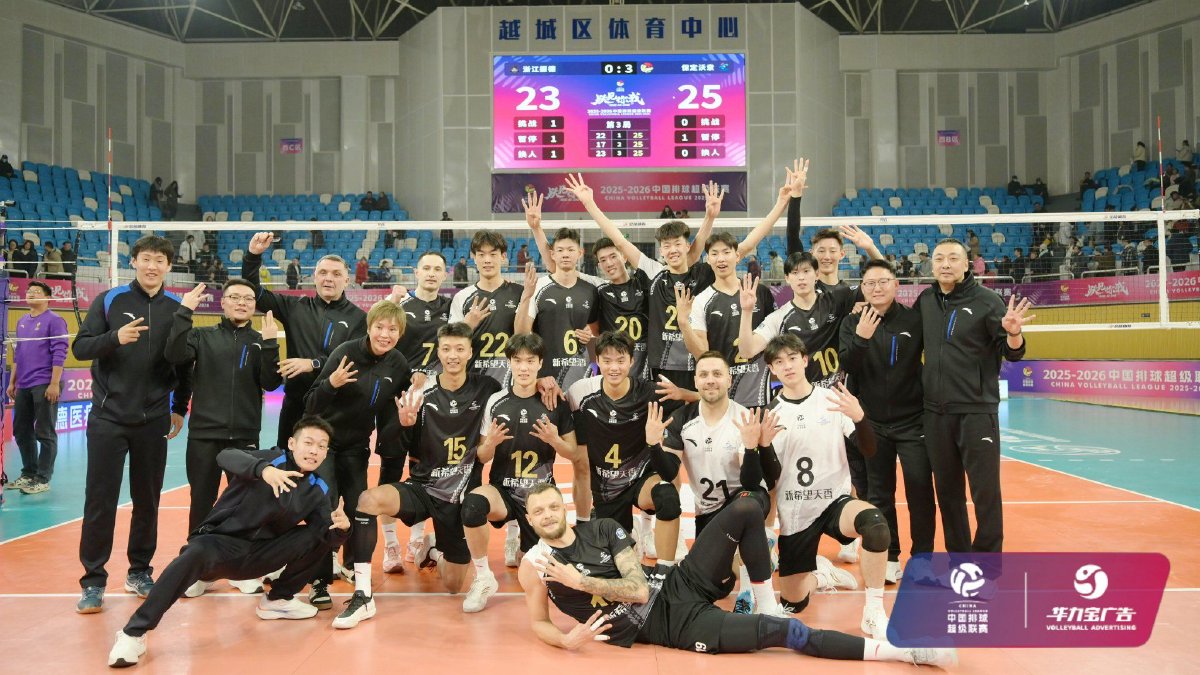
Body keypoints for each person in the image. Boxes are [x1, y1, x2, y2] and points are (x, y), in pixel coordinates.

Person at [516, 483, 956, 666]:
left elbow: (635, 588)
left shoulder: (601, 529)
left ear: (564, 507)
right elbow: (538, 621)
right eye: (539, 511)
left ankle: (765, 599)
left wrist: (580, 582)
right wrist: (565, 640)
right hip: (673, 625)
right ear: (530, 520)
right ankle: (903, 652)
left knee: (746, 507)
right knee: (785, 633)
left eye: (553, 506)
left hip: (678, 583)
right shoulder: (534, 567)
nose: (548, 514)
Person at [105, 417, 351, 668]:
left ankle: (278, 599)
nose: (314, 450)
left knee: (318, 533)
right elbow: (225, 455)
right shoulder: (270, 459)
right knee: (193, 555)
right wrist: (263, 470)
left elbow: (326, 535)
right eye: (308, 443)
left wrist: (342, 529)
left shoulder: (318, 488)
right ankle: (133, 633)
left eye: (321, 446)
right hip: (221, 545)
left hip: (260, 556)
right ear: (292, 443)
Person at [564, 171, 787, 409]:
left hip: (696, 363)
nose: (672, 250)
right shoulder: (654, 273)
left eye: (677, 244)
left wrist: (781, 203)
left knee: (699, 417)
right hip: (663, 365)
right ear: (661, 250)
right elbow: (619, 241)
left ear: (687, 246)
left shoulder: (704, 272)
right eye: (667, 246)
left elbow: (747, 244)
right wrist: (589, 203)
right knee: (665, 421)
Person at [348, 322, 503, 628]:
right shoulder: (421, 391)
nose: (453, 355)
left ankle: (432, 548)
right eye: (447, 349)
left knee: (453, 586)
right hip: (423, 486)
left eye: (459, 349)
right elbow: (391, 446)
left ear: (470, 352)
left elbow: (517, 396)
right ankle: (362, 594)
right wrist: (403, 425)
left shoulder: (487, 387)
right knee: (368, 500)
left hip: (460, 495)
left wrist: (543, 383)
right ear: (438, 352)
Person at [72, 235, 192, 613]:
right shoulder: (110, 300)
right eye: (146, 259)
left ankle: (139, 571)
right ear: (134, 262)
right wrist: (114, 338)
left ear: (169, 266)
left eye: (159, 260)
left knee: (147, 501)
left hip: (153, 419)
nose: (152, 266)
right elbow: (81, 347)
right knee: (100, 501)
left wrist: (179, 407)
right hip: (108, 418)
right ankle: (93, 581)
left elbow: (184, 364)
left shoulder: (177, 308)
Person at [762, 334, 890, 639]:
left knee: (875, 525)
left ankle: (874, 612)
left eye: (793, 358)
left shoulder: (831, 400)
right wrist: (763, 446)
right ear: (772, 370)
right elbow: (770, 478)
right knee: (793, 604)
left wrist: (860, 418)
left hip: (834, 502)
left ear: (805, 360)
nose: (787, 366)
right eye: (779, 361)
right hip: (796, 512)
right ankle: (822, 575)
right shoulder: (771, 413)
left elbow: (869, 449)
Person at [163, 278, 283, 596]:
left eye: (248, 298)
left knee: (242, 506)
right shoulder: (201, 336)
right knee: (202, 502)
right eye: (235, 297)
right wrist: (184, 312)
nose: (242, 303)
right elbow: (174, 354)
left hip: (244, 436)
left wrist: (271, 344)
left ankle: (239, 570)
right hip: (204, 434)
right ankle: (198, 571)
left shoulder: (259, 341)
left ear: (254, 306)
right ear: (224, 302)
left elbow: (271, 383)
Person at [918, 239, 1033, 553]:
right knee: (948, 494)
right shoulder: (926, 300)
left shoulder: (987, 301)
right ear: (931, 265)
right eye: (939, 258)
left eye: (953, 258)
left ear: (967, 264)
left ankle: (988, 563)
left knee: (985, 492)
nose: (945, 264)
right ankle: (960, 560)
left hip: (976, 412)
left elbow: (1014, 354)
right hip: (936, 414)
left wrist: (1014, 332)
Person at [305, 300, 414, 613]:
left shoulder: (398, 365)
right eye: (380, 327)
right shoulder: (345, 353)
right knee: (325, 505)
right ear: (369, 328)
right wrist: (331, 384)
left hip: (356, 446)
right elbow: (310, 403)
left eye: (392, 329)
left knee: (359, 507)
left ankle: (354, 566)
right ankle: (319, 579)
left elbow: (394, 415)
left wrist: (400, 428)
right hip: (325, 444)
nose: (385, 334)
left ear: (400, 333)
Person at [459, 333, 578, 613]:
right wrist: (490, 443)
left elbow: (573, 453)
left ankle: (524, 543)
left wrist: (554, 440)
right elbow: (482, 456)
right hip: (504, 491)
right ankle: (483, 577)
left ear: (540, 364)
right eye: (517, 361)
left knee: (541, 574)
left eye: (530, 361)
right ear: (509, 363)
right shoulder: (496, 402)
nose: (524, 367)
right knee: (472, 505)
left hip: (540, 495)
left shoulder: (554, 401)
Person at [661, 351, 780, 614]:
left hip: (747, 499)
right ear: (695, 381)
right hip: (708, 512)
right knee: (717, 584)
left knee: (746, 507)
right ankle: (762, 551)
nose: (710, 380)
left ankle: (763, 602)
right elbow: (668, 472)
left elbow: (751, 482)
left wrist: (751, 448)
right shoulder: (683, 419)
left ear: (729, 380)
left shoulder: (743, 418)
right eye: (704, 375)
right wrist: (653, 446)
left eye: (717, 374)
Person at [838, 261, 933, 585]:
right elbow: (848, 364)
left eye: (883, 282)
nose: (876, 288)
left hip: (913, 422)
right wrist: (862, 338)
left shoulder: (914, 319)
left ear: (895, 285)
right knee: (879, 494)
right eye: (869, 283)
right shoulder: (852, 322)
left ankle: (922, 559)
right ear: (862, 288)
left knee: (920, 491)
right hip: (872, 423)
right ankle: (890, 556)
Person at [242, 231, 367, 449]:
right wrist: (253, 256)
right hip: (295, 406)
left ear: (347, 280)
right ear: (314, 277)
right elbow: (255, 293)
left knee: (327, 467)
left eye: (336, 274)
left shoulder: (359, 318)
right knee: (288, 462)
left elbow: (354, 361)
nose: (329, 278)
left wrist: (313, 364)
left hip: (336, 408)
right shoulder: (294, 307)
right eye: (323, 273)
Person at [566, 332, 683, 566]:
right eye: (607, 361)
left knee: (667, 495)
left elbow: (697, 400)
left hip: (641, 479)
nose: (614, 368)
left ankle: (665, 571)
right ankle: (629, 534)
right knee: (614, 566)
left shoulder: (650, 392)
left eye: (620, 360)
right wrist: (543, 383)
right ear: (597, 361)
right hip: (607, 489)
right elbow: (553, 404)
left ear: (631, 361)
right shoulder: (580, 392)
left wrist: (685, 393)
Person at [381, 251, 452, 571]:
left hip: (434, 401)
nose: (432, 273)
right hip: (398, 398)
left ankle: (418, 539)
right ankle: (390, 545)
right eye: (426, 268)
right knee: (391, 470)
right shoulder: (401, 305)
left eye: (438, 268)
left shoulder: (451, 308)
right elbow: (378, 337)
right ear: (416, 272)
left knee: (426, 471)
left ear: (445, 274)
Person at [679, 234, 776, 408]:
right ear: (708, 259)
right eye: (714, 253)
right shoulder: (701, 301)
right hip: (722, 396)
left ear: (737, 256)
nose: (721, 259)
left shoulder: (760, 293)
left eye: (726, 252)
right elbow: (701, 354)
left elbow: (776, 343)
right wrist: (683, 323)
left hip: (760, 394)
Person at [514, 225, 600, 389]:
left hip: (582, 376)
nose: (565, 254)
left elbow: (597, 332)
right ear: (552, 254)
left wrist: (591, 334)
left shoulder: (591, 289)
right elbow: (520, 334)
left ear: (580, 253)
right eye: (560, 250)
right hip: (546, 378)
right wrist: (526, 296)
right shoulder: (538, 286)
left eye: (570, 250)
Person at [4, 281, 68, 494]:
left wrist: (54, 383)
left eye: (36, 292)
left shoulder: (55, 320)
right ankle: (29, 473)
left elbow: (60, 352)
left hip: (45, 383)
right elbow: (18, 354)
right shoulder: (22, 321)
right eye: (29, 291)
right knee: (22, 431)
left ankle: (42, 478)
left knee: (45, 431)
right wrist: (13, 382)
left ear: (48, 297)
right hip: (24, 383)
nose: (30, 294)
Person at [448, 230, 526, 388]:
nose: (487, 260)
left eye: (493, 254)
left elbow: (530, 338)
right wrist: (467, 325)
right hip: (474, 381)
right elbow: (451, 343)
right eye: (481, 254)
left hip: (512, 382)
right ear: (473, 257)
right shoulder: (462, 297)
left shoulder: (520, 293)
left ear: (503, 256)